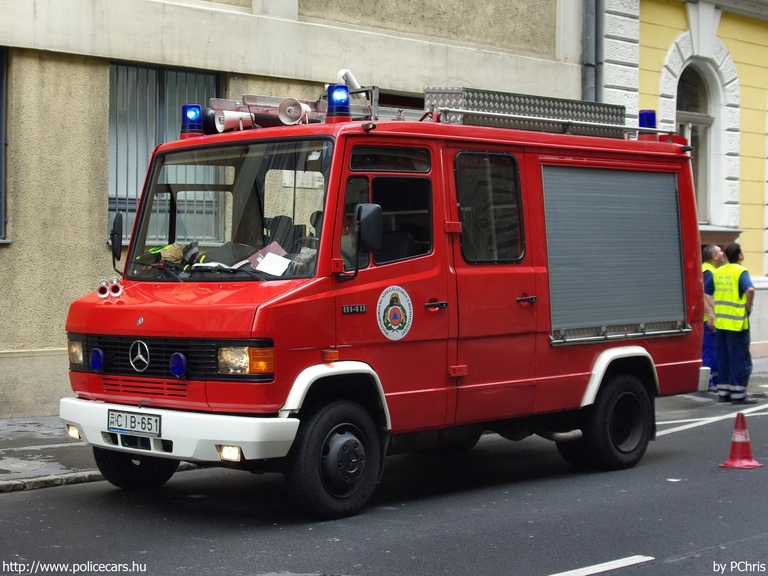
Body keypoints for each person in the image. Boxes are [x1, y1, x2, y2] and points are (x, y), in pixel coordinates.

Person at [704, 243, 757, 404]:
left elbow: (706, 291)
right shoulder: (741, 271)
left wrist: (715, 308)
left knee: (723, 358)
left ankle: (724, 392)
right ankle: (739, 394)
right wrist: (747, 307)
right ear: (740, 256)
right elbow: (750, 290)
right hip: (737, 323)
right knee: (740, 359)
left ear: (726, 256)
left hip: (721, 323)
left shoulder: (719, 271)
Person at [701, 244, 724, 391]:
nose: (723, 253)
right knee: (710, 350)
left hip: (709, 318)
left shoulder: (710, 270)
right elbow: (703, 295)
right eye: (720, 251)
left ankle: (713, 379)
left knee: (713, 349)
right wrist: (711, 315)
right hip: (708, 320)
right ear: (715, 256)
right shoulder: (708, 272)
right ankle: (709, 381)